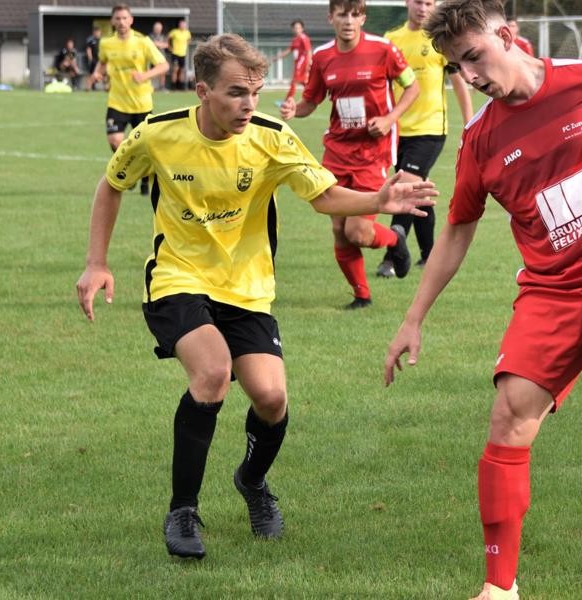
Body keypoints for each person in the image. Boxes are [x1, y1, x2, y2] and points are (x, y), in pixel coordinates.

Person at [75, 33, 436, 560]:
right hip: (178, 278)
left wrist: (378, 199)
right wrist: (96, 263)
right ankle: (183, 511)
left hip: (247, 288)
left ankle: (252, 481)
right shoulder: (157, 134)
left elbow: (324, 195)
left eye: (255, 92)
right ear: (202, 91)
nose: (248, 105)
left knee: (271, 400)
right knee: (213, 372)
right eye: (235, 93)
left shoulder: (271, 137)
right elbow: (111, 184)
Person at [383, 1, 582, 598]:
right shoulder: (480, 141)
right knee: (509, 417)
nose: (468, 76)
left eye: (473, 57)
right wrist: (413, 317)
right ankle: (499, 588)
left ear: (508, 35)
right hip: (551, 287)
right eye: (455, 67)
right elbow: (458, 231)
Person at [280, 0, 421, 309]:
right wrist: (295, 109)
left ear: (363, 18)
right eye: (342, 14)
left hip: (373, 154)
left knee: (356, 230)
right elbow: (310, 101)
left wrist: (388, 119)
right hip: (337, 152)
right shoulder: (322, 56)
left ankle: (396, 240)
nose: (348, 20)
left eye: (355, 14)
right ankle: (362, 296)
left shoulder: (383, 49)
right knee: (338, 230)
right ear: (331, 17)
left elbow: (412, 88)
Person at [375, 0, 473, 279]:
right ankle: (430, 254)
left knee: (406, 186)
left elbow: (459, 84)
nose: (423, 8)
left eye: (429, 3)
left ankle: (392, 256)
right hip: (398, 131)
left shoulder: (439, 39)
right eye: (419, 2)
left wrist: (469, 125)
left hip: (430, 130)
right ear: (408, 3)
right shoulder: (391, 40)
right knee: (418, 194)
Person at [90, 4, 168, 196]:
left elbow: (163, 65)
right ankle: (132, 172)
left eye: (125, 18)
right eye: (118, 18)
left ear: (131, 20)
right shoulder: (106, 44)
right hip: (117, 101)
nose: (122, 22)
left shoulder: (143, 42)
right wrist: (96, 74)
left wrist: (145, 75)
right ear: (113, 21)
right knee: (115, 140)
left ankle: (141, 177)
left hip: (141, 103)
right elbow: (102, 62)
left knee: (144, 145)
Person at [275, 20, 313, 105]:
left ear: (302, 29)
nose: (297, 29)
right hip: (298, 63)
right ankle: (312, 97)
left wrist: (308, 64)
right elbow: (289, 50)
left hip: (302, 62)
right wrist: (278, 57)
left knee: (294, 81)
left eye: (298, 28)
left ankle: (287, 101)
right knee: (304, 82)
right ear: (292, 29)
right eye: (295, 28)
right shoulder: (295, 39)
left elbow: (309, 51)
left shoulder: (304, 38)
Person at [168, 19, 193, 91]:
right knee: (175, 69)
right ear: (179, 25)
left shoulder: (187, 33)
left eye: (184, 24)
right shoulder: (174, 32)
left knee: (182, 70)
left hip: (183, 54)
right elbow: (168, 38)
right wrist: (170, 46)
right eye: (181, 24)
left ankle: (180, 86)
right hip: (175, 53)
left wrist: (186, 45)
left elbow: (189, 39)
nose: (182, 26)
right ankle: (173, 86)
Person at [150, 21, 170, 91]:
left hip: (162, 57)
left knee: (162, 72)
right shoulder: (151, 36)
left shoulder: (163, 36)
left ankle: (162, 87)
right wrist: (160, 44)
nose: (158, 30)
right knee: (152, 72)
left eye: (159, 28)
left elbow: (167, 45)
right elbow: (151, 44)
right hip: (153, 57)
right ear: (154, 29)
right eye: (156, 28)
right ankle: (151, 87)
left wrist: (158, 44)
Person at [85, 26, 102, 90]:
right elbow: (88, 49)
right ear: (94, 32)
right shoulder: (91, 40)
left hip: (100, 60)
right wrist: (90, 58)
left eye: (98, 32)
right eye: (96, 32)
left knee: (100, 74)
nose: (97, 33)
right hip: (94, 60)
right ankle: (89, 87)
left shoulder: (102, 40)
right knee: (92, 73)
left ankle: (106, 86)